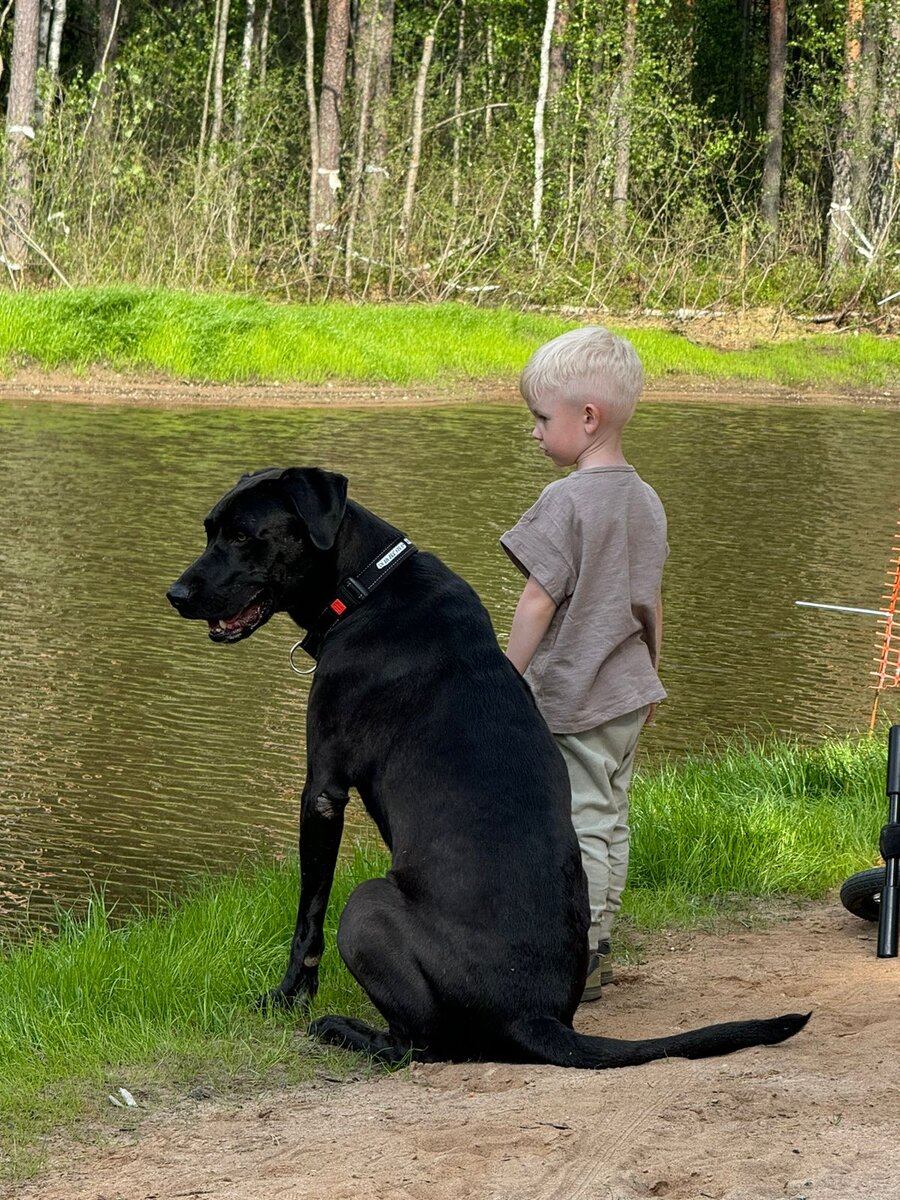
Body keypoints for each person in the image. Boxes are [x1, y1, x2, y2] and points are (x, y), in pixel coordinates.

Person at [500, 325, 667, 1003]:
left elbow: (538, 600)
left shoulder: (565, 501)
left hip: (575, 696)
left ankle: (583, 954)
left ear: (588, 418)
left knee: (582, 822)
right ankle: (599, 937)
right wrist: (653, 677)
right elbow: (649, 602)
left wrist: (502, 678)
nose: (536, 433)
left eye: (542, 418)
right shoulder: (647, 500)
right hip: (628, 693)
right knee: (612, 814)